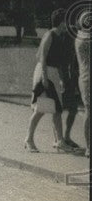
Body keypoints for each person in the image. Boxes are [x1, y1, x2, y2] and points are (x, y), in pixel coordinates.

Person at [25, 9, 74, 153]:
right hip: (44, 72)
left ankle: (59, 141)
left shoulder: (61, 36)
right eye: (66, 21)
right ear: (61, 22)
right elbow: (42, 57)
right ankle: (28, 140)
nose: (68, 24)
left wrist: (61, 79)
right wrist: (45, 78)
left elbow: (58, 61)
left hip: (52, 73)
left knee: (57, 109)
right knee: (41, 109)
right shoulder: (50, 34)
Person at [74, 26, 90, 158]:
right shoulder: (86, 40)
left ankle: (89, 147)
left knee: (88, 111)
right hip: (88, 79)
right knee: (89, 112)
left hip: (84, 78)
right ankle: (89, 147)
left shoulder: (79, 38)